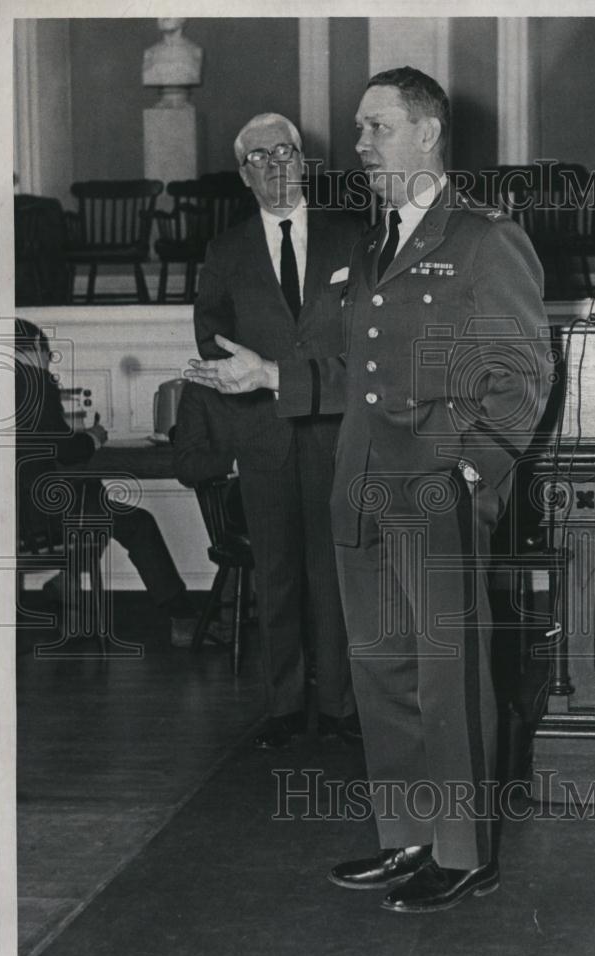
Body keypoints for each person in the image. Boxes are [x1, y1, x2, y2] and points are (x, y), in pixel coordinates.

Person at [185, 68, 553, 911]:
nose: (358, 145)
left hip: (437, 496)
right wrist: (271, 372)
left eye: (375, 128)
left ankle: (465, 855)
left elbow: (523, 375)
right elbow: (359, 372)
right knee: (383, 673)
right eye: (357, 129)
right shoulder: (375, 242)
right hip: (361, 488)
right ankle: (410, 838)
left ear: (426, 134)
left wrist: (469, 475)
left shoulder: (484, 238)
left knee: (449, 678)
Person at [192, 112, 364, 748]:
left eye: (285, 151)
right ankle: (285, 706)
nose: (275, 165)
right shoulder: (225, 251)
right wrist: (243, 375)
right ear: (244, 174)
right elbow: (210, 338)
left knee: (335, 574)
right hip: (263, 438)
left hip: (337, 431)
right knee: (277, 575)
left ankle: (344, 708)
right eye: (259, 157)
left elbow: (370, 335)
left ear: (304, 160)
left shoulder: (354, 239)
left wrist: (293, 374)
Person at [14, 318, 199, 647]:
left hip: (14, 521)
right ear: (34, 352)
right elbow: (67, 451)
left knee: (92, 497)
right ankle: (182, 615)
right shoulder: (34, 383)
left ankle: (64, 584)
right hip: (43, 515)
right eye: (46, 354)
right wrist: (94, 438)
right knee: (137, 522)